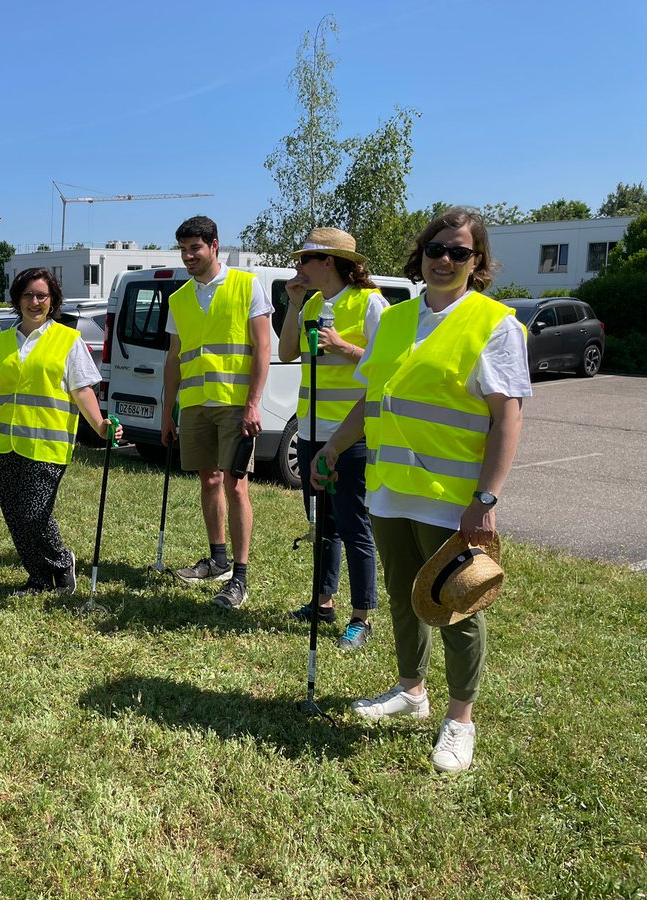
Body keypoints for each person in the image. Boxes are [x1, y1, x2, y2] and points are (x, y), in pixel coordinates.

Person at [313, 207, 530, 773]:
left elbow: (508, 419)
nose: (444, 260)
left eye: (459, 252)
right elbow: (372, 399)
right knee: (406, 596)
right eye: (436, 249)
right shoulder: (397, 319)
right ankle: (411, 690)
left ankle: (460, 720)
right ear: (422, 254)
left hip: (453, 496)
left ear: (477, 262)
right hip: (389, 486)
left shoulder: (494, 324)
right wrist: (333, 447)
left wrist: (485, 500)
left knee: (457, 605)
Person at [0, 267, 120, 596]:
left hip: (46, 444)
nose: (35, 301)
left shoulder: (68, 340)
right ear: (17, 299)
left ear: (52, 300)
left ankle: (61, 563)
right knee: (16, 517)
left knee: (34, 513)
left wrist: (101, 426)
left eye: (42, 296)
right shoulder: (3, 341)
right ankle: (37, 578)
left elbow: (83, 390)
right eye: (28, 295)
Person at [277, 228, 388, 651]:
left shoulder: (370, 302)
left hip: (351, 436)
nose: (298, 267)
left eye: (305, 259)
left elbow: (386, 366)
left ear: (329, 262)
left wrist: (343, 346)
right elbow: (287, 352)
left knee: (354, 525)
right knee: (321, 524)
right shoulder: (311, 305)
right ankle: (322, 603)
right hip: (309, 432)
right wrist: (293, 303)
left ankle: (362, 617)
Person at [161, 216, 272, 610]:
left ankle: (239, 577)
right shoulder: (179, 298)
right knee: (209, 481)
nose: (188, 256)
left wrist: (254, 403)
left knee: (236, 484)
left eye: (195, 248)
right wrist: (167, 411)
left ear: (214, 246)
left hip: (236, 405)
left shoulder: (247, 285)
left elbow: (263, 348)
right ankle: (218, 560)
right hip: (194, 404)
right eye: (184, 249)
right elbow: (174, 359)